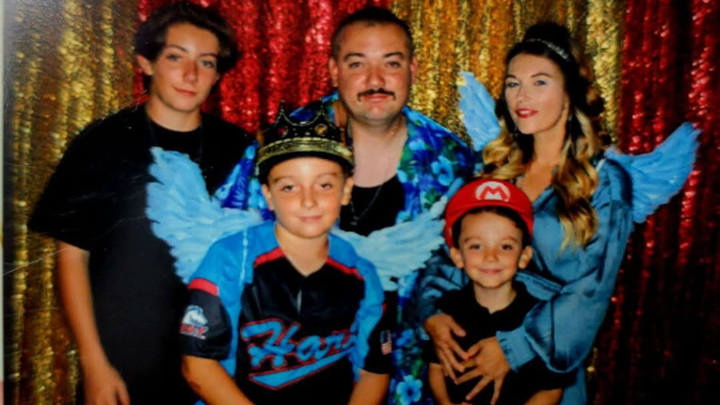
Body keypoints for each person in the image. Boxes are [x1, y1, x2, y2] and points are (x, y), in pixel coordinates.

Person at [217, 7, 476, 404]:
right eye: (358, 64)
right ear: (334, 71)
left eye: (391, 63)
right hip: (291, 376)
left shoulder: (451, 162)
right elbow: (224, 250)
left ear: (413, 69)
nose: (375, 80)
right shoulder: (282, 146)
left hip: (409, 381)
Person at [28, 3, 251, 405]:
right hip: (125, 362)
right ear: (145, 62)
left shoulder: (239, 149)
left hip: (217, 362)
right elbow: (71, 257)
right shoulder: (102, 143)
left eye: (206, 62)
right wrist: (94, 365)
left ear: (218, 74)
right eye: (175, 57)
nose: (191, 74)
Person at [423, 22, 636, 405]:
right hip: (472, 350)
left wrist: (513, 348)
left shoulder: (605, 182)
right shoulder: (491, 168)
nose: (522, 96)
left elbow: (591, 293)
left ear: (569, 92)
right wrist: (433, 314)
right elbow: (446, 252)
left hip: (546, 366)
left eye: (540, 82)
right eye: (513, 83)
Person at [179, 109, 391, 405]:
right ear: (268, 195)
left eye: (324, 185)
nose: (308, 200)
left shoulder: (362, 273)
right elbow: (198, 365)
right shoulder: (232, 258)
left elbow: (373, 371)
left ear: (346, 190)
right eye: (289, 187)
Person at [427, 178, 572, 405]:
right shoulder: (448, 310)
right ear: (457, 256)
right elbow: (436, 367)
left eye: (505, 246)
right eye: (476, 246)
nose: (491, 257)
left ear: (524, 256)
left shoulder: (539, 319)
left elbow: (551, 390)